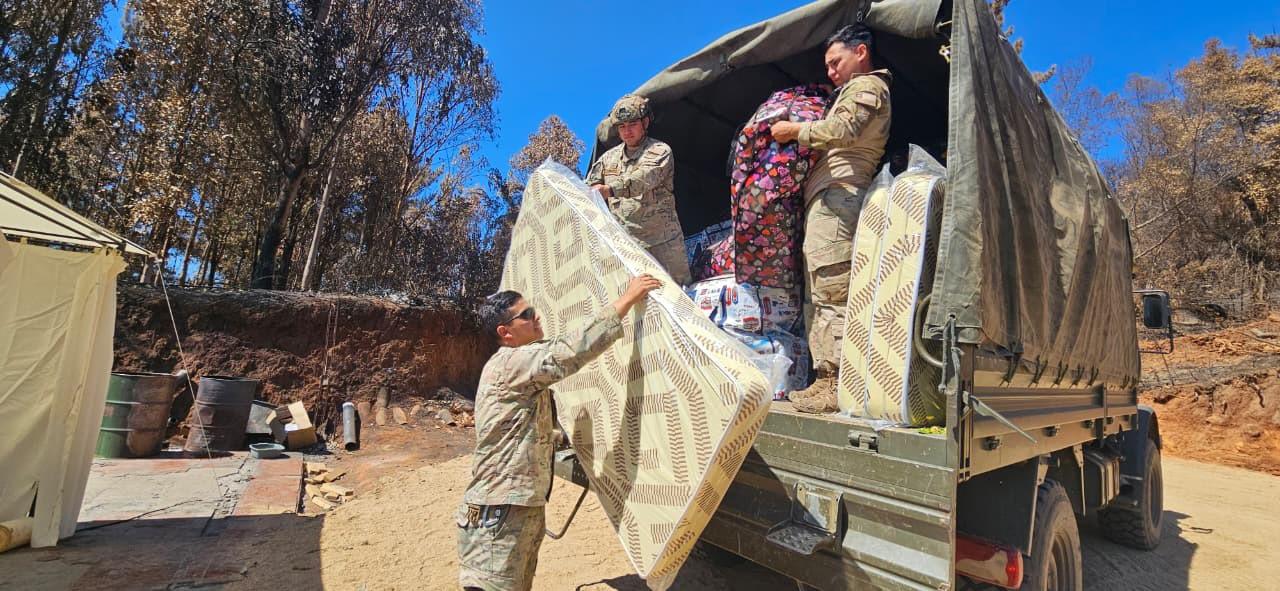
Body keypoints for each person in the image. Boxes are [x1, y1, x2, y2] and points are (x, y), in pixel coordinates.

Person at [457, 274, 662, 591]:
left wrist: (566, 437)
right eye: (526, 315)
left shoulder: (512, 368)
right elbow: (570, 351)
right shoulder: (513, 362)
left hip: (509, 508)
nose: (536, 317)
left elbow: (519, 429)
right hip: (500, 510)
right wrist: (627, 299)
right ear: (505, 332)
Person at [770, 23, 892, 413]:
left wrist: (795, 130)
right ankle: (824, 378)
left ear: (861, 52)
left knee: (833, 289)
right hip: (828, 200)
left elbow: (843, 129)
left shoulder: (868, 86)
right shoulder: (849, 90)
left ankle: (838, 382)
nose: (831, 71)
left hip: (841, 199)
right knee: (820, 291)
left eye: (836, 61)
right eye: (827, 65)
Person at [586, 94, 693, 285]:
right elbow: (588, 187)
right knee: (640, 298)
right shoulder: (607, 159)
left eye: (632, 124)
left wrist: (609, 190)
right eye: (621, 126)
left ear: (645, 122)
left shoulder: (659, 150)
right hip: (629, 248)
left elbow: (644, 178)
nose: (627, 131)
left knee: (680, 292)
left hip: (664, 245)